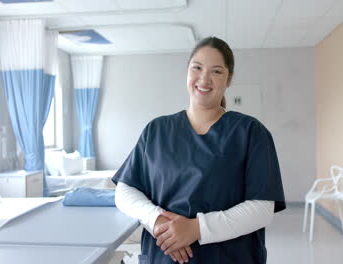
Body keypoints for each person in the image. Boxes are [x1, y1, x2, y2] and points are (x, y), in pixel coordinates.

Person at [112, 36, 286, 264]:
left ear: (229, 79)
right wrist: (159, 223)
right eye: (197, 68)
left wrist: (196, 229)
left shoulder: (251, 132)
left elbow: (262, 208)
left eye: (216, 71)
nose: (204, 78)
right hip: (163, 255)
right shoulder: (156, 130)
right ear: (187, 72)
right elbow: (124, 191)